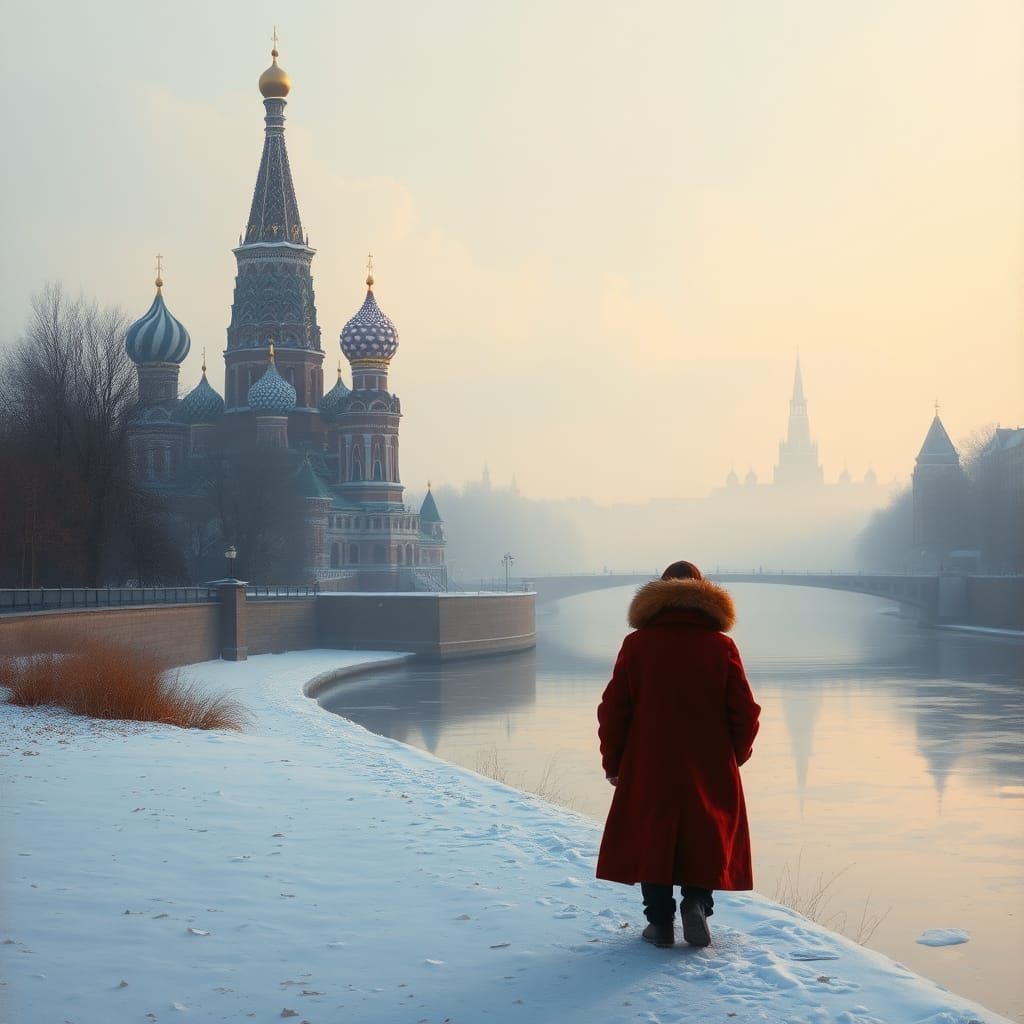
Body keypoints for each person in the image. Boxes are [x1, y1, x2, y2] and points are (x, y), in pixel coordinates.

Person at [596, 560, 761, 949]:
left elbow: (613, 709)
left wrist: (614, 762)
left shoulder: (637, 645)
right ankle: (697, 903)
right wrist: (735, 755)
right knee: (705, 831)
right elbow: (745, 710)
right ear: (705, 597)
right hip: (709, 758)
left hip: (648, 758)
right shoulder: (721, 646)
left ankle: (660, 923)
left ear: (657, 596)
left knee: (653, 832)